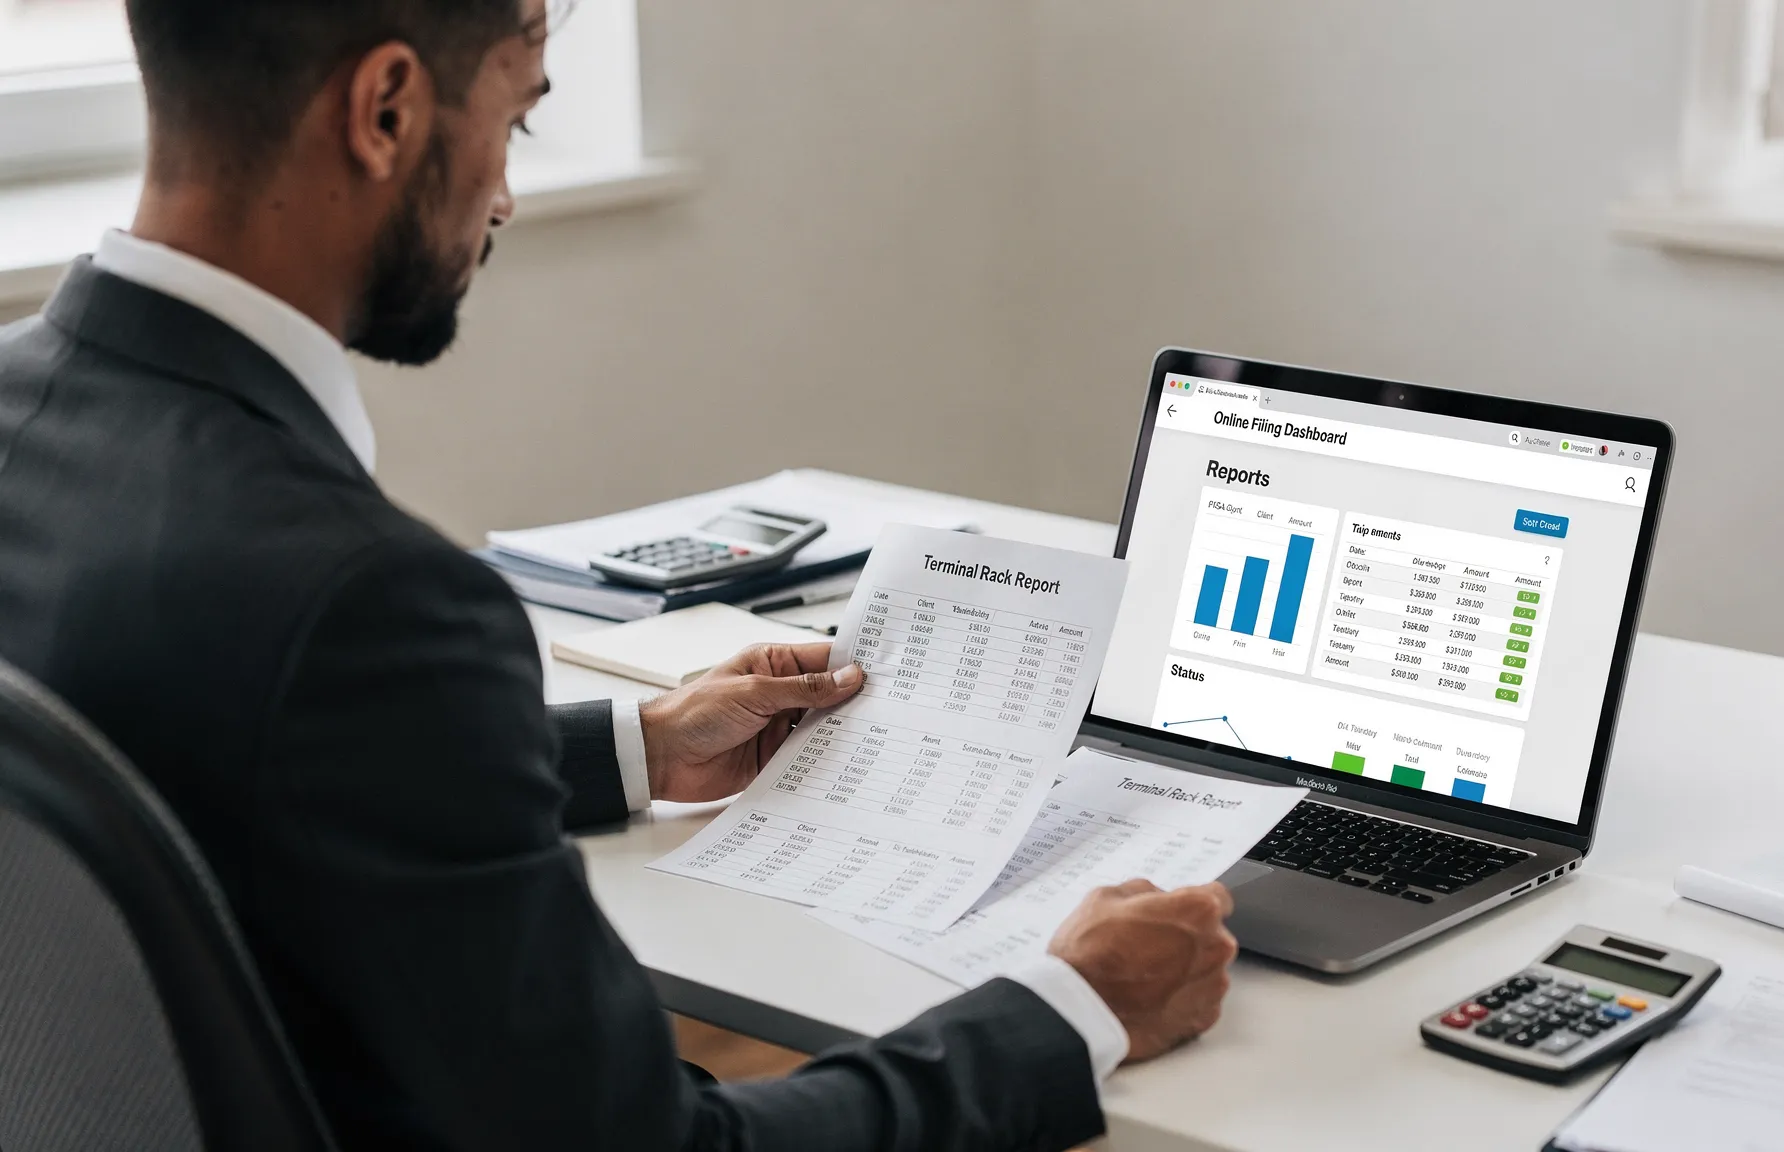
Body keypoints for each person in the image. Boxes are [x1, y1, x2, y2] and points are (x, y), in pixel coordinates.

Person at [0, 1, 1239, 1149]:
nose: (504, 196)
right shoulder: (370, 602)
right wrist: (1066, 1008)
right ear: (384, 110)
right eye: (516, 117)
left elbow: (225, 753)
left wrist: (640, 745)